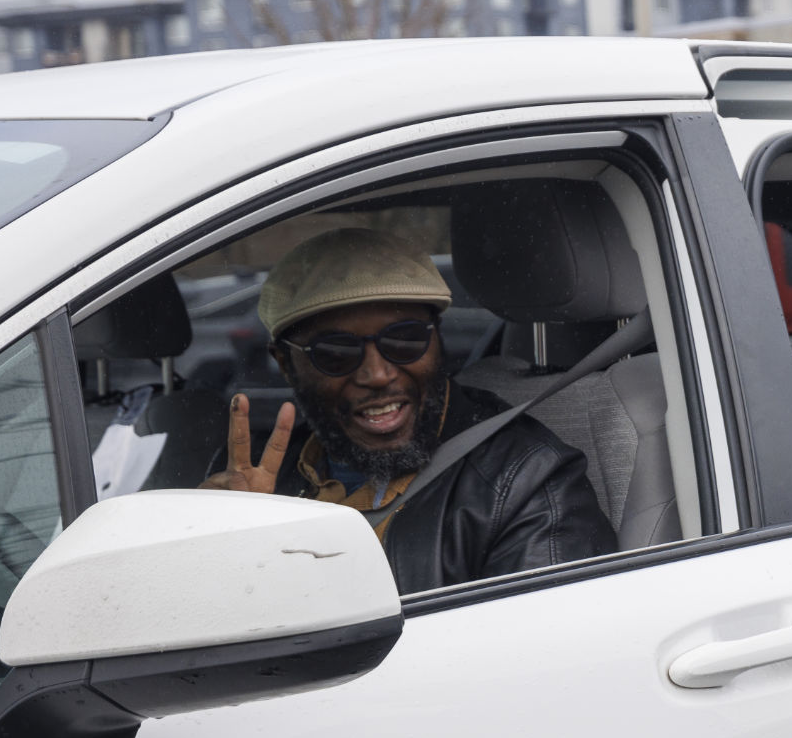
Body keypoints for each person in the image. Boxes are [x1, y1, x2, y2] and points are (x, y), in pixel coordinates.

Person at [204, 227, 616, 592]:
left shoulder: (527, 484)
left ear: (438, 338)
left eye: (404, 340)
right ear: (286, 364)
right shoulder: (252, 485)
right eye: (336, 352)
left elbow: (537, 664)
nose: (378, 373)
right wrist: (221, 552)